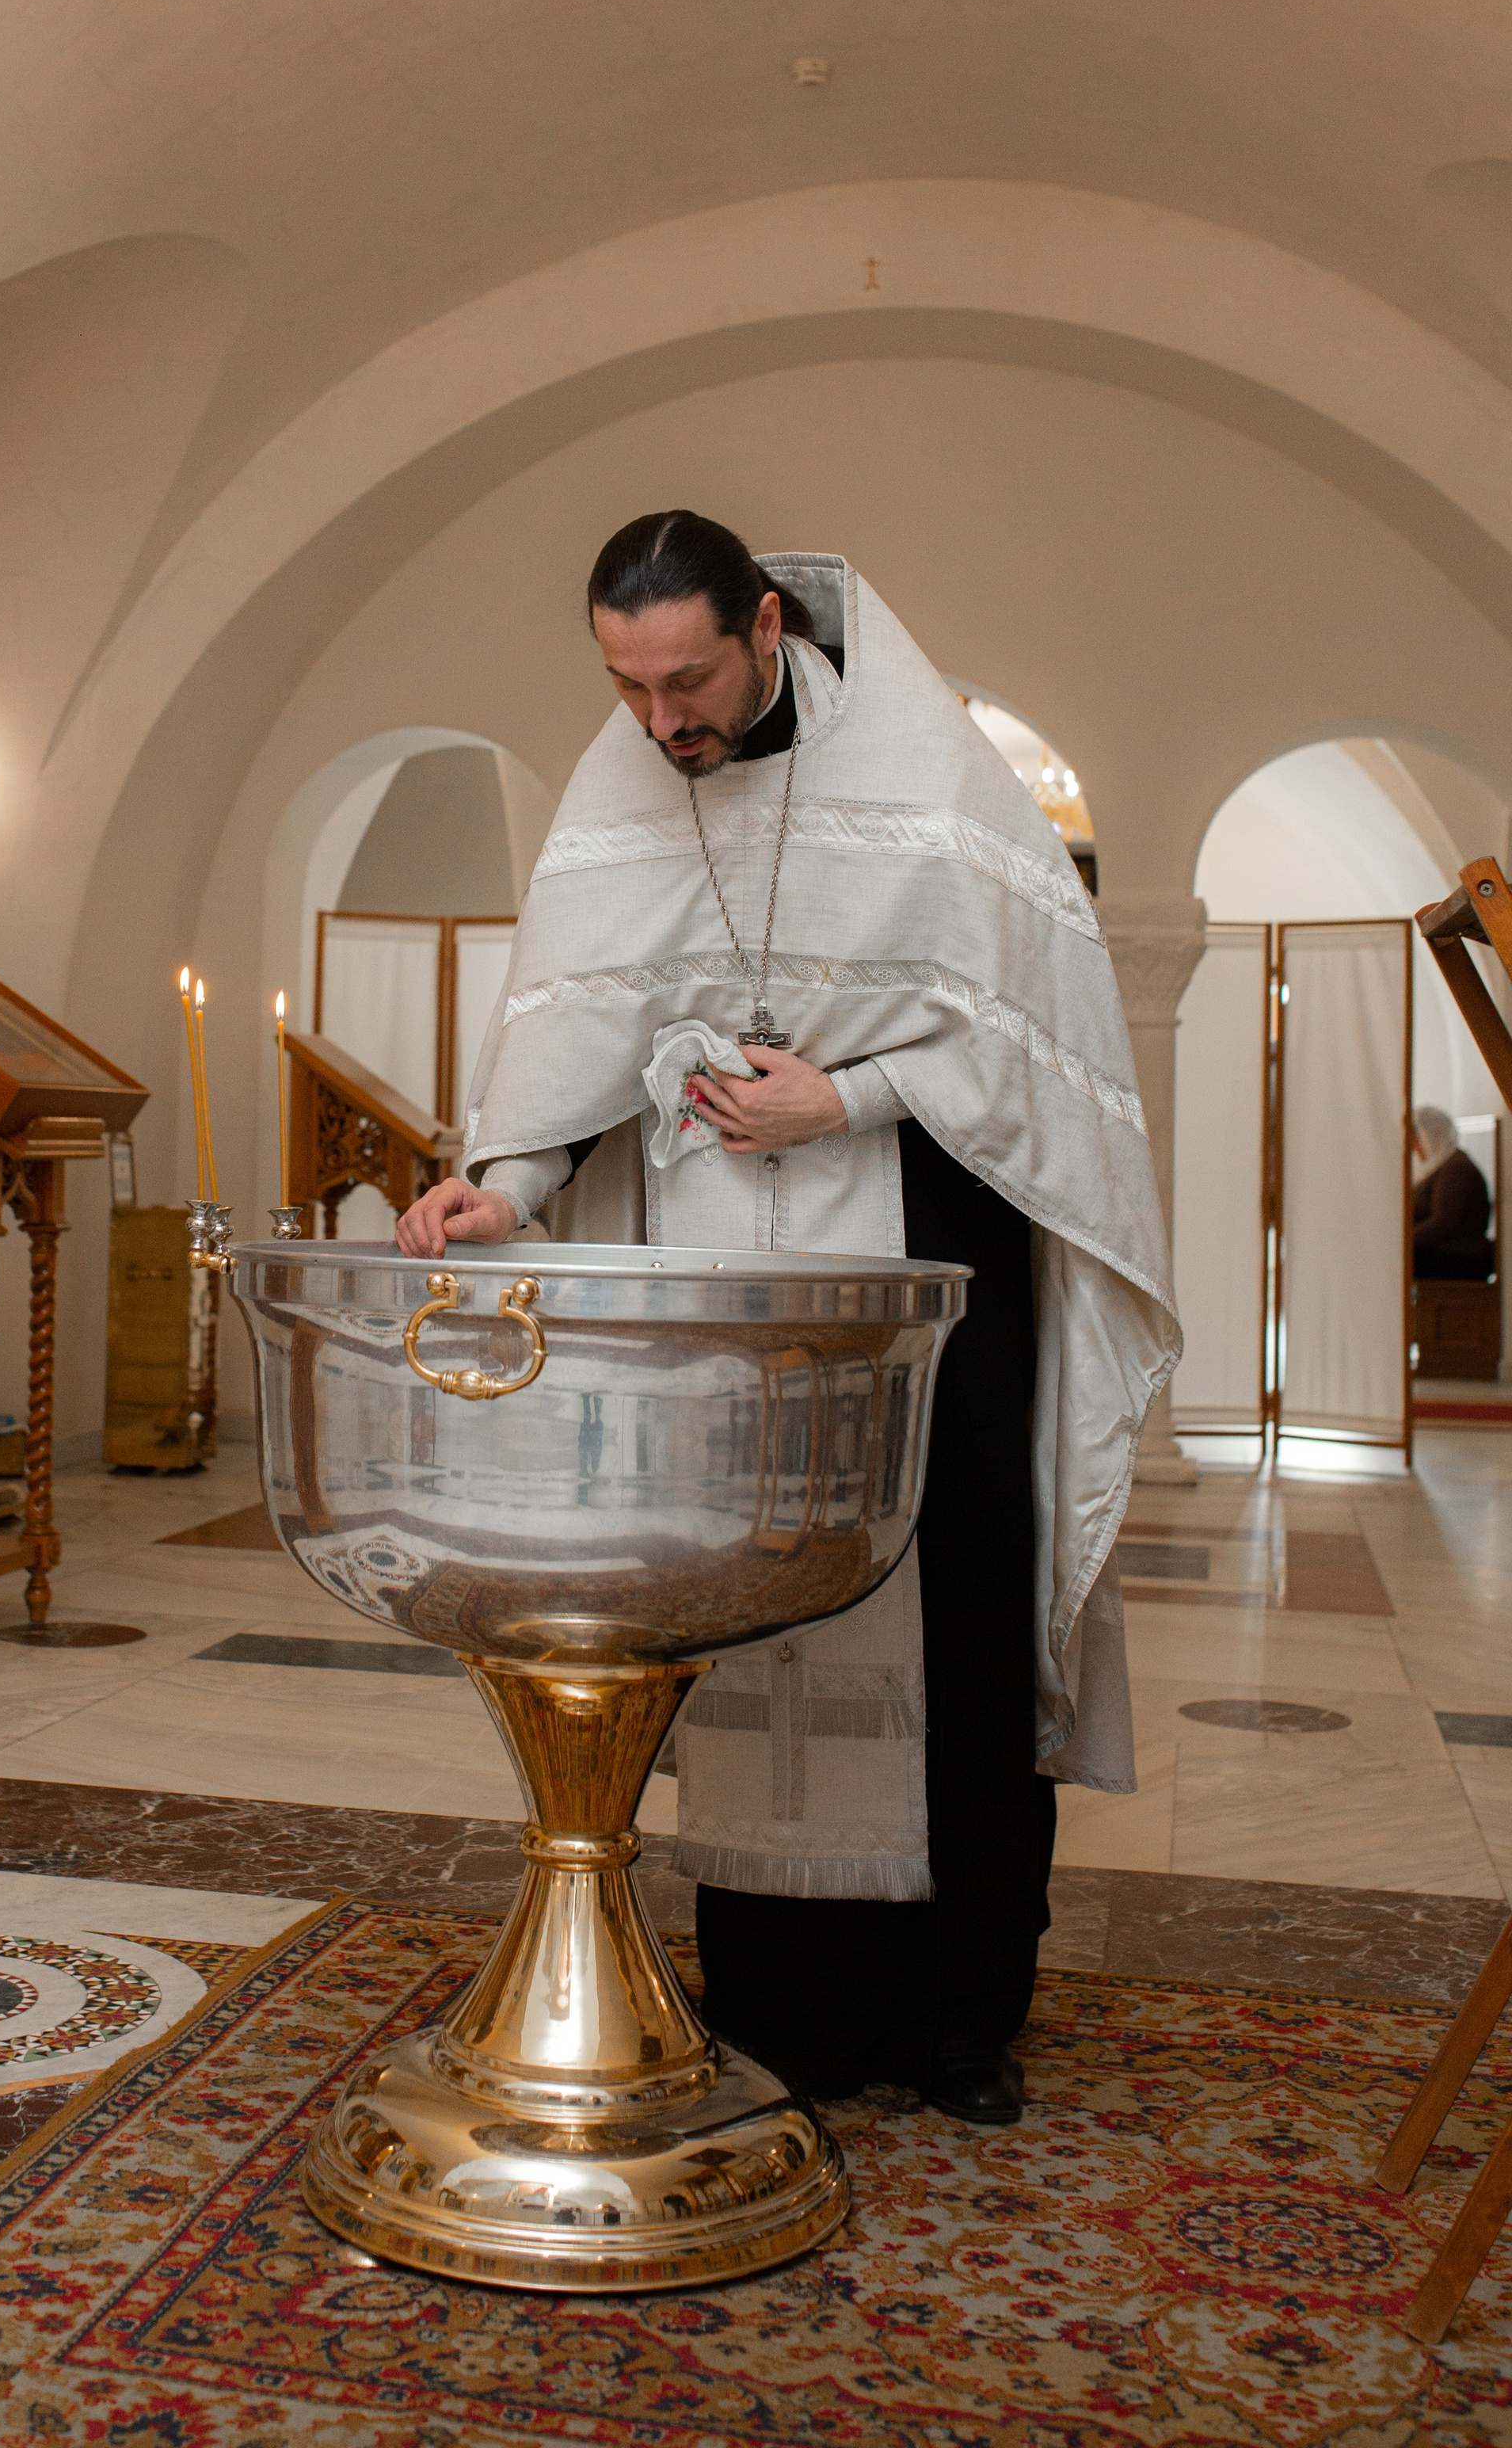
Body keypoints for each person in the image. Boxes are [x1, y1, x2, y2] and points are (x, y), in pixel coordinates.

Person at [397, 512, 1178, 2126]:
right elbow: (581, 1039)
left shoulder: (928, 776)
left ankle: (959, 2019)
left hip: (922, 1234)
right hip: (714, 1270)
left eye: (685, 681)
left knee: (951, 1596)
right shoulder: (623, 784)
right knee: (746, 1607)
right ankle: (778, 2003)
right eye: (626, 690)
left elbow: (1024, 1043)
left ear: (762, 625)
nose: (660, 724)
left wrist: (848, 1093)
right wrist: (510, 1185)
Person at [1414, 1107, 1492, 1279]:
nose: (1415, 1148)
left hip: (1459, 1257)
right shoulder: (1438, 1167)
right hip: (1442, 1252)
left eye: (1417, 1140)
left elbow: (1443, 1223)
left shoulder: (1456, 1168)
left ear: (1432, 1136)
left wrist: (1402, 1242)